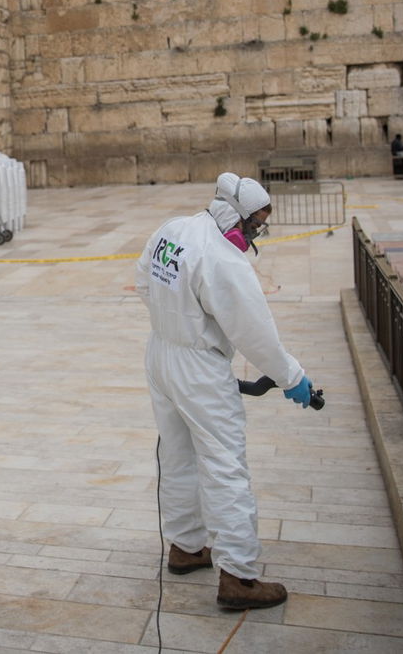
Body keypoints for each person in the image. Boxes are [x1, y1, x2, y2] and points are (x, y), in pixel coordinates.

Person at [135, 173, 314, 611]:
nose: (257, 232)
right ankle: (238, 575)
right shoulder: (224, 260)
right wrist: (292, 378)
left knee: (177, 456)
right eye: (256, 223)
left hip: (161, 352)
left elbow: (143, 280)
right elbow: (256, 335)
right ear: (237, 216)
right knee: (224, 463)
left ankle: (186, 546)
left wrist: (177, 320)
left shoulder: (174, 229)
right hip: (197, 364)